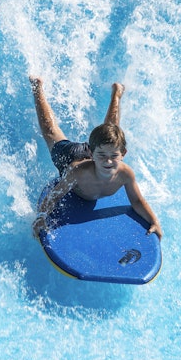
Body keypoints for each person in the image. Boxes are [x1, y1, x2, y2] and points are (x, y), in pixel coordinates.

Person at [29, 76, 163, 241]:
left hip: (97, 150)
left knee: (112, 134)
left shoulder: (126, 174)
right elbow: (54, 195)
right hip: (71, 157)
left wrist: (154, 220)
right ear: (92, 154)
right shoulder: (78, 174)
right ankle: (38, 88)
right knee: (50, 132)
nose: (108, 161)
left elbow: (136, 201)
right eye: (103, 157)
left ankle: (117, 93)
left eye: (114, 156)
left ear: (123, 154)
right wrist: (41, 216)